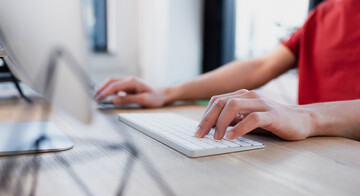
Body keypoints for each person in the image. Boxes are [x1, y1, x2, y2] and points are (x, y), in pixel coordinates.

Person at [95, 0, 360, 141]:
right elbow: (261, 66)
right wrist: (166, 92)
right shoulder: (325, 13)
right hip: (317, 157)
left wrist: (305, 117)